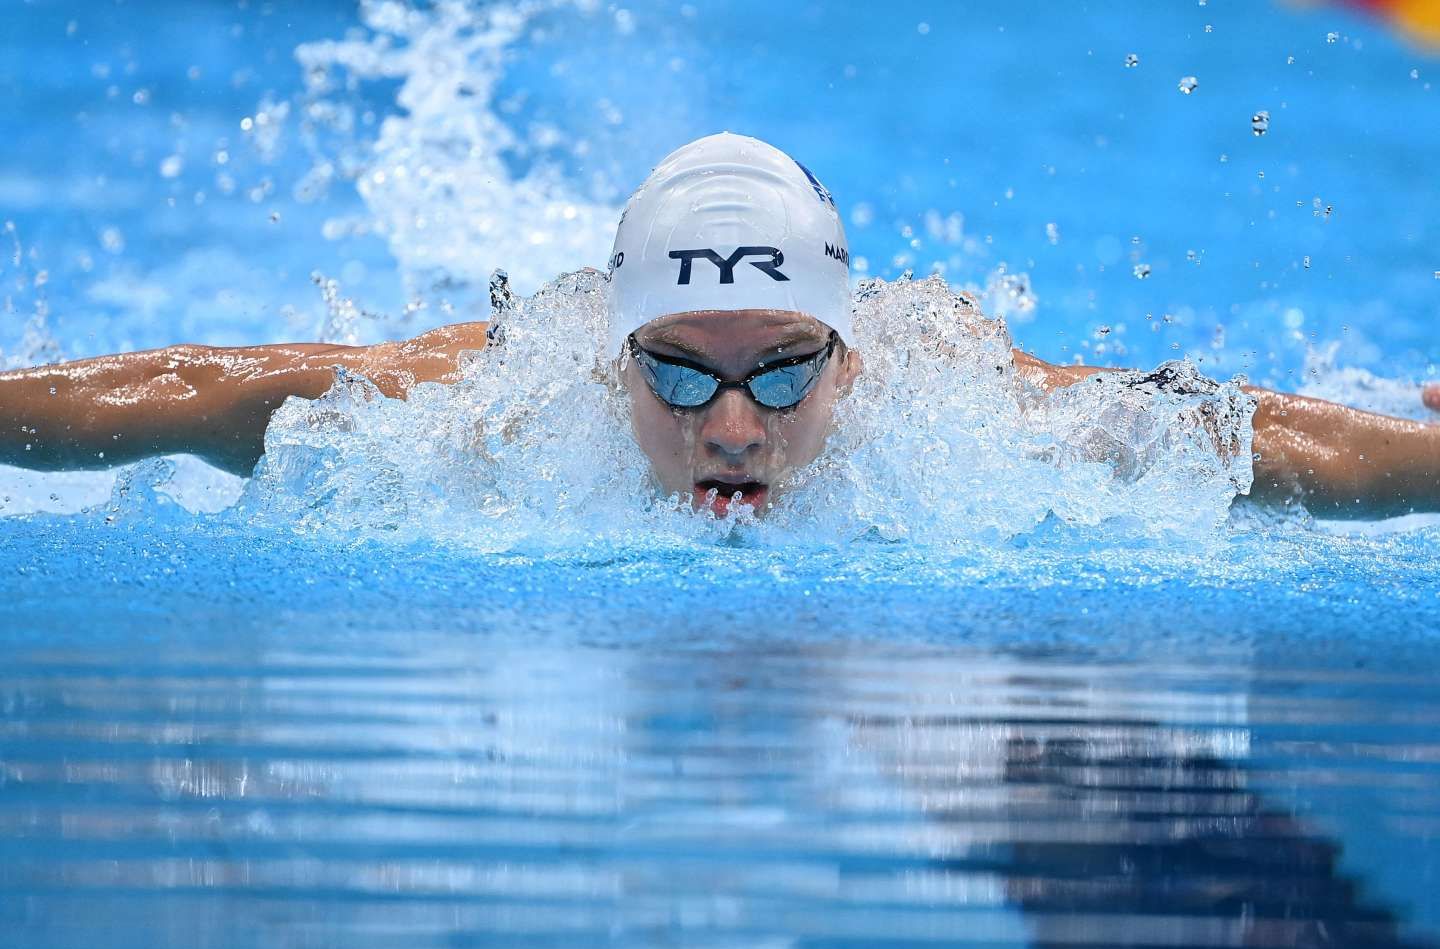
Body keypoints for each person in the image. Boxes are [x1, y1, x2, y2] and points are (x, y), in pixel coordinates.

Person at [1, 134, 1437, 520]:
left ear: (851, 355)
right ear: (610, 357)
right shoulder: (487, 403)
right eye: (678, 375)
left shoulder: (952, 401)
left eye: (783, 372)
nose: (735, 429)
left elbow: (1227, 437)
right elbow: (191, 384)